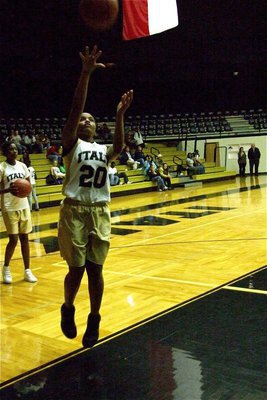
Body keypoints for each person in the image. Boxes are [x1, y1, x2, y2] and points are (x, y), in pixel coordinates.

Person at [58, 45, 133, 348]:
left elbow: (119, 145)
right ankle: (68, 307)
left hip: (99, 211)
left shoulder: (103, 151)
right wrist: (85, 73)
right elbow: (76, 107)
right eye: (82, 120)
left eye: (91, 119)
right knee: (76, 269)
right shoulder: (70, 144)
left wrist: (119, 115)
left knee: (96, 270)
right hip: (74, 210)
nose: (86, 121)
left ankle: (95, 317)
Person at [0, 141, 37, 284]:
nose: (14, 151)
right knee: (13, 240)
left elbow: (28, 185)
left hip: (24, 206)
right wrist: (8, 190)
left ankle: (27, 270)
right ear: (5, 152)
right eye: (10, 149)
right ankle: (6, 268)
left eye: (15, 149)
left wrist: (25, 190)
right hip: (9, 207)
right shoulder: (2, 168)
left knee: (25, 239)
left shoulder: (23, 166)